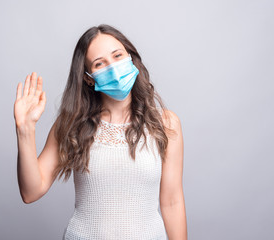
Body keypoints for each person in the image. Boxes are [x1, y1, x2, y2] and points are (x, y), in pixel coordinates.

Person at [14, 24, 187, 240]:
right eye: (99, 64)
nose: (113, 68)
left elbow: (172, 201)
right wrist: (25, 130)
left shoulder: (166, 124)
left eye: (117, 56)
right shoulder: (71, 124)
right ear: (88, 77)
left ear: (131, 58)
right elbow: (31, 192)